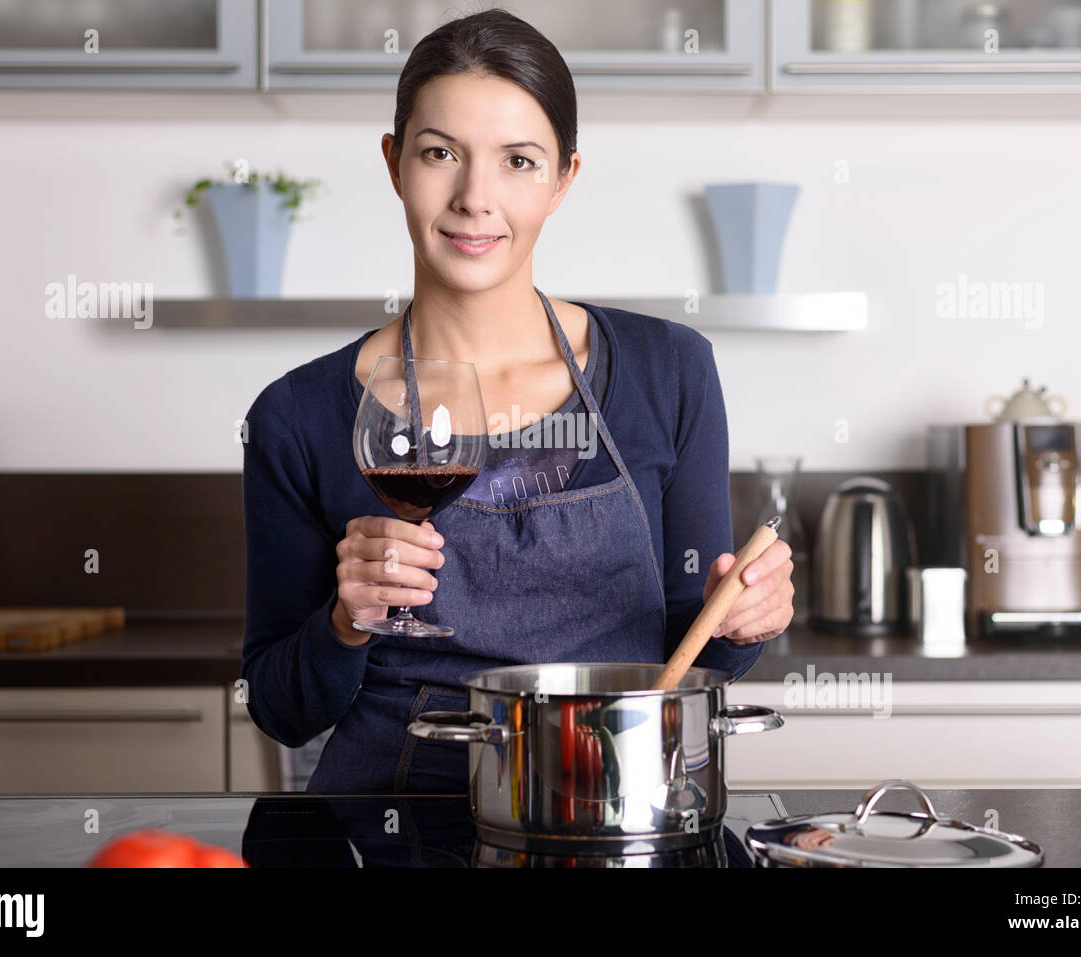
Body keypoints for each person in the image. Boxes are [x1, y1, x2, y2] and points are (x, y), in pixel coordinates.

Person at [241, 9, 794, 794]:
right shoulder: (295, 415)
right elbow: (278, 708)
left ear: (564, 178)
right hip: (391, 813)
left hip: (615, 801)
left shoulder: (670, 370)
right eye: (441, 154)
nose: (476, 197)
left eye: (518, 161)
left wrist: (742, 623)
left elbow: (692, 655)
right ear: (396, 164)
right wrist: (344, 620)